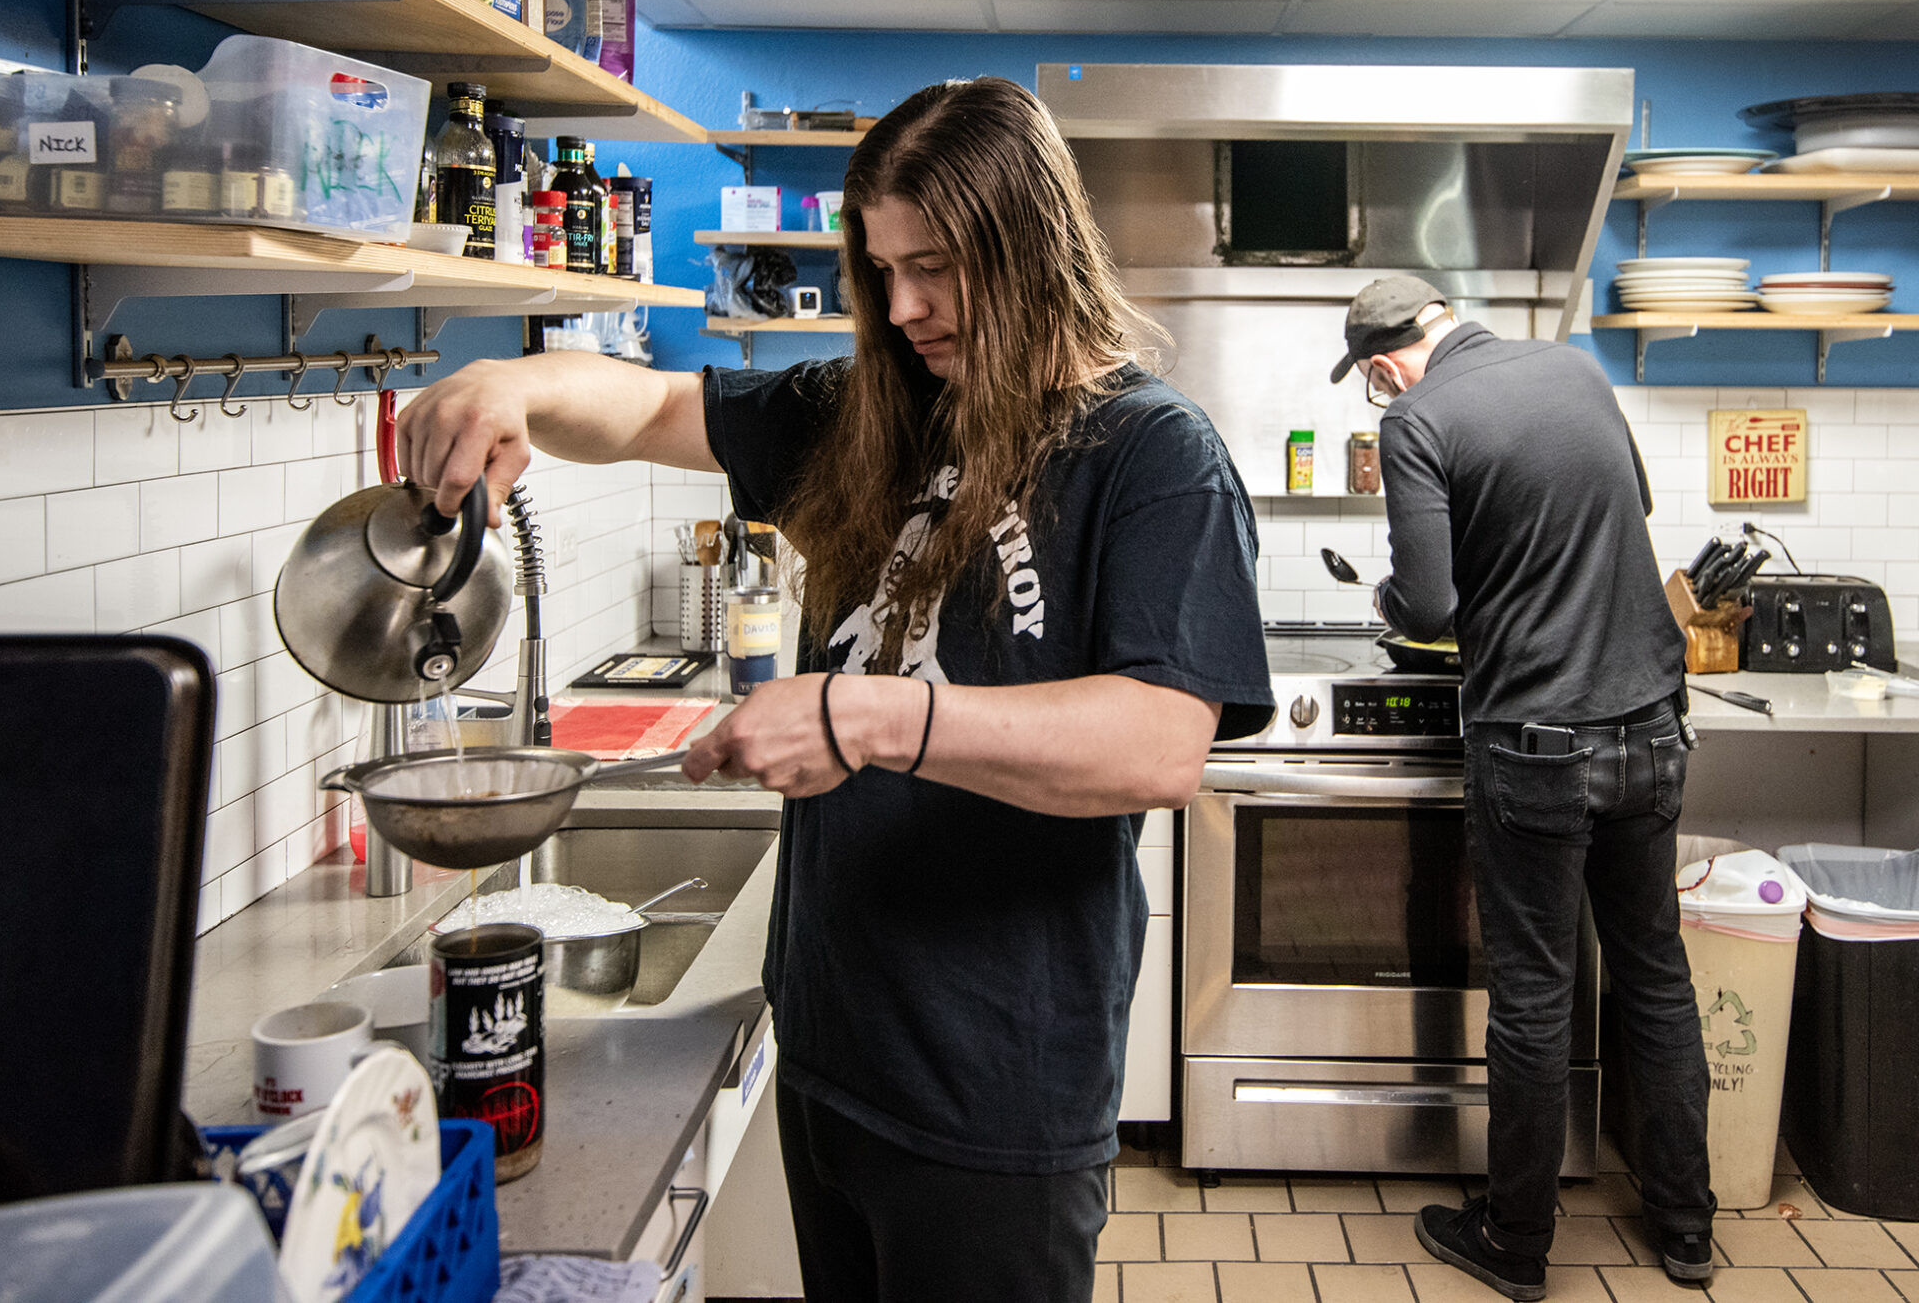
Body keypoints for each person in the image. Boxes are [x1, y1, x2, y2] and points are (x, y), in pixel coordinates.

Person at [398, 78, 1273, 1303]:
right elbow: (654, 403)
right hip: (831, 1050)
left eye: (939, 267)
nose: (906, 308)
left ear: (1033, 244)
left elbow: (1157, 746)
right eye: (883, 271)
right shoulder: (877, 412)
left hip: (992, 1088)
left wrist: (866, 716)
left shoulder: (1149, 453)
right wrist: (515, 384)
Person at [1333, 276, 1714, 1298]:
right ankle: (1686, 1229)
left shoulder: (1417, 418)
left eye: (1372, 379)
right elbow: (1626, 503)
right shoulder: (1573, 366)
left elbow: (1426, 603)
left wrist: (1386, 590)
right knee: (1655, 977)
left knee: (1536, 997)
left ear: (1381, 363)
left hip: (1538, 741)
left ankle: (1516, 1241)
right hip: (1651, 724)